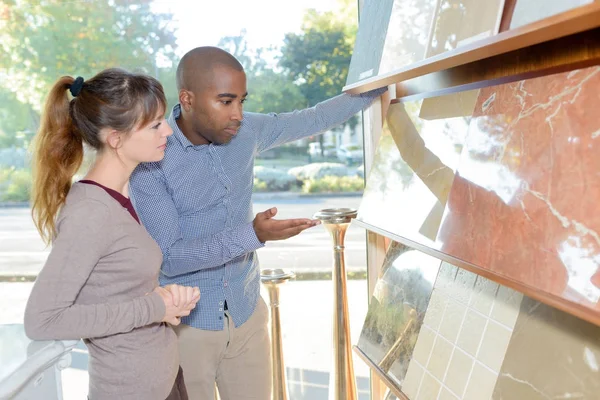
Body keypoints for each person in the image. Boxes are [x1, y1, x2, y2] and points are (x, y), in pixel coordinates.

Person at [129, 46, 387, 399]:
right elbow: (171, 258)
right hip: (187, 328)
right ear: (187, 100)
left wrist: (382, 81)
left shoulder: (247, 129)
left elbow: (313, 118)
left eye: (241, 101)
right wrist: (250, 235)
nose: (237, 114)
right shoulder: (151, 160)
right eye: (225, 102)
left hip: (246, 309)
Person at [24, 68, 201, 400]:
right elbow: (43, 320)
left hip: (162, 380)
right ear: (115, 138)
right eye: (155, 125)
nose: (168, 131)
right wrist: (153, 308)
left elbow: (114, 286)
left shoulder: (118, 196)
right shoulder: (90, 213)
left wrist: (164, 300)